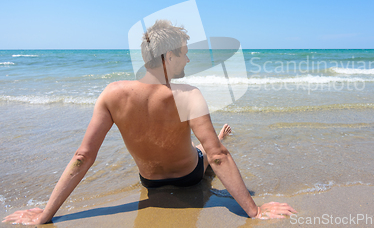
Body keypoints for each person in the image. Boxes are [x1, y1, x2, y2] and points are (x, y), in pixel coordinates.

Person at [2, 20, 296, 225]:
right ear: (168, 56)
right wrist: (254, 211)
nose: (188, 61)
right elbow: (218, 157)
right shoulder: (189, 95)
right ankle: (217, 136)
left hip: (149, 182)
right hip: (189, 175)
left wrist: (45, 215)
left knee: (197, 147)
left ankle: (212, 138)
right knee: (206, 151)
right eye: (184, 54)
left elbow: (83, 156)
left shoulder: (113, 94)